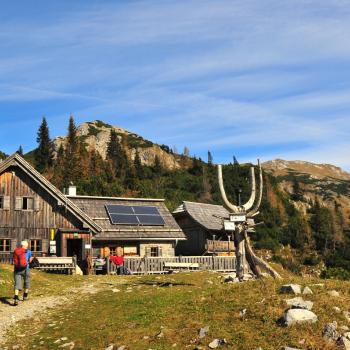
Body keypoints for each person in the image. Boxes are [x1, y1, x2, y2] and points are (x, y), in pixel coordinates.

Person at [13, 240, 33, 306]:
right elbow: (30, 260)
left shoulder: (16, 251)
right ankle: (25, 296)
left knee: (17, 283)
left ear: (21, 245)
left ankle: (16, 297)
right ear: (26, 246)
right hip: (26, 269)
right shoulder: (29, 252)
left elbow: (14, 260)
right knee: (27, 281)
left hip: (17, 269)